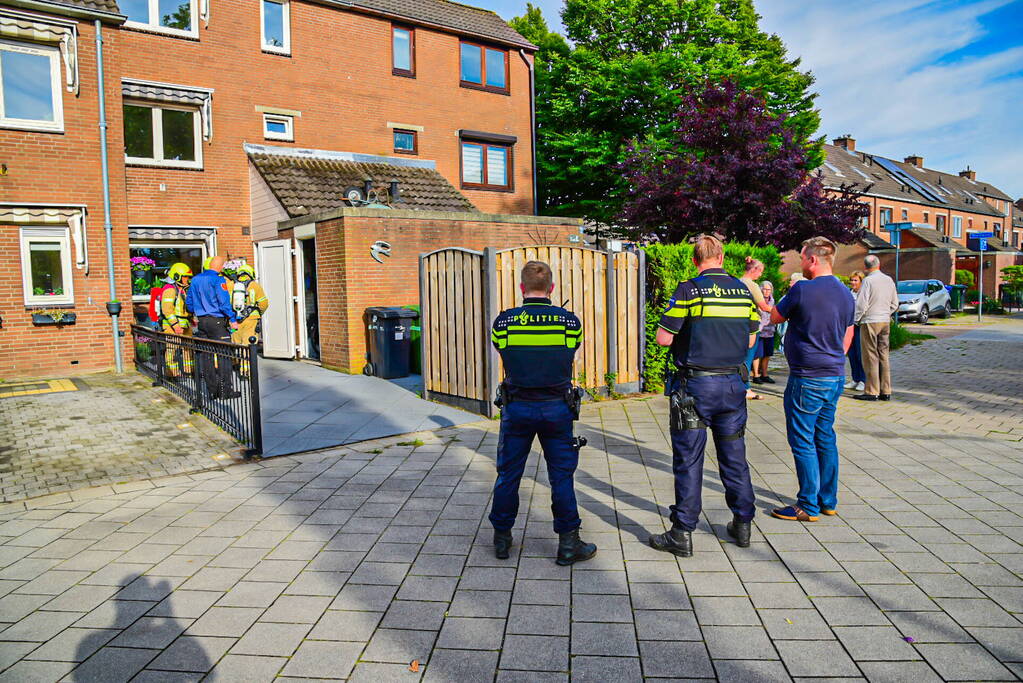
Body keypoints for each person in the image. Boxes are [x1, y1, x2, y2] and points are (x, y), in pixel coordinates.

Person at [647, 235, 759, 557]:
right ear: (722, 257)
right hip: (734, 388)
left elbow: (664, 339)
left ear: (696, 260)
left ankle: (682, 533)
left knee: (689, 460)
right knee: (735, 457)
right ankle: (742, 523)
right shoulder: (742, 291)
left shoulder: (688, 289)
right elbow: (751, 340)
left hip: (695, 388)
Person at [489, 260, 596, 566]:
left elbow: (502, 350)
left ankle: (502, 538)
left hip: (517, 407)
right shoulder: (569, 322)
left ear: (521, 288)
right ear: (551, 288)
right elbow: (570, 351)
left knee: (508, 474)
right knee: (561, 476)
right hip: (556, 408)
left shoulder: (504, 323)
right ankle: (568, 544)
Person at [769, 237, 855, 522]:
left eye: (803, 258)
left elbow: (775, 317)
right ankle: (827, 500)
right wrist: (834, 357)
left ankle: (807, 504)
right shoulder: (845, 293)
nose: (802, 263)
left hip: (807, 376)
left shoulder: (802, 289)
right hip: (834, 375)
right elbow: (849, 332)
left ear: (814, 259)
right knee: (825, 437)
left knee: (803, 439)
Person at [186, 255, 240, 399]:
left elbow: (189, 303)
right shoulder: (218, 280)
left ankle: (212, 391)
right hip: (217, 322)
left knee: (206, 357)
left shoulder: (195, 279)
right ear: (221, 267)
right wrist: (233, 319)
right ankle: (225, 391)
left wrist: (198, 311)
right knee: (224, 356)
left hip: (201, 322)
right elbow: (223, 303)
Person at [854, 255, 899, 401]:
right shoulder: (888, 280)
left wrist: (856, 319)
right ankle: (886, 390)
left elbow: (861, 304)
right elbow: (895, 303)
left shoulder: (868, 281)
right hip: (885, 320)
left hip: (870, 321)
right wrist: (886, 313)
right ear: (879, 264)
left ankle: (872, 391)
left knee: (870, 356)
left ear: (866, 267)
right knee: (883, 355)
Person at [740, 257, 772, 400]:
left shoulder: (737, 282)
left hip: (740, 325)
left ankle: (739, 386)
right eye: (760, 272)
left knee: (740, 357)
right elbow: (764, 306)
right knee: (748, 358)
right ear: (754, 269)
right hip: (752, 325)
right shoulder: (752, 285)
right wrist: (783, 313)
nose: (760, 275)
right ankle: (746, 389)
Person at [158, 263, 194, 377]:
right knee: (171, 349)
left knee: (188, 349)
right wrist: (175, 325)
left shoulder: (182, 289)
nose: (187, 279)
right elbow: (167, 310)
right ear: (177, 276)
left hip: (185, 324)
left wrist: (192, 319)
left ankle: (189, 371)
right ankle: (171, 374)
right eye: (185, 277)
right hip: (173, 326)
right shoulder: (169, 289)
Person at [230, 264, 270, 347]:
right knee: (249, 345)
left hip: (234, 320)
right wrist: (258, 313)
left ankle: (237, 360)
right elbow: (264, 304)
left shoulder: (231, 285)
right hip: (251, 320)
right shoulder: (255, 285)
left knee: (235, 344)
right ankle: (247, 360)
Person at [845, 271, 867, 392]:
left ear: (861, 282)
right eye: (852, 280)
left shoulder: (863, 294)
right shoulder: (849, 293)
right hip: (850, 326)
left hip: (860, 325)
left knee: (860, 353)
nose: (853, 283)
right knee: (852, 354)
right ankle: (855, 379)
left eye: (855, 280)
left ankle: (863, 380)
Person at [751, 281, 776, 384]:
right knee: (758, 354)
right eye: (764, 289)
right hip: (760, 331)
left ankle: (765, 374)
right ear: (760, 290)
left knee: (767, 354)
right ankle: (756, 375)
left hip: (770, 331)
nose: (766, 292)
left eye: (768, 289)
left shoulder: (773, 301)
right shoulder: (758, 300)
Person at [775, 272, 804, 354]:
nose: (789, 284)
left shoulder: (788, 298)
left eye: (791, 281)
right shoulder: (785, 298)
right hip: (788, 339)